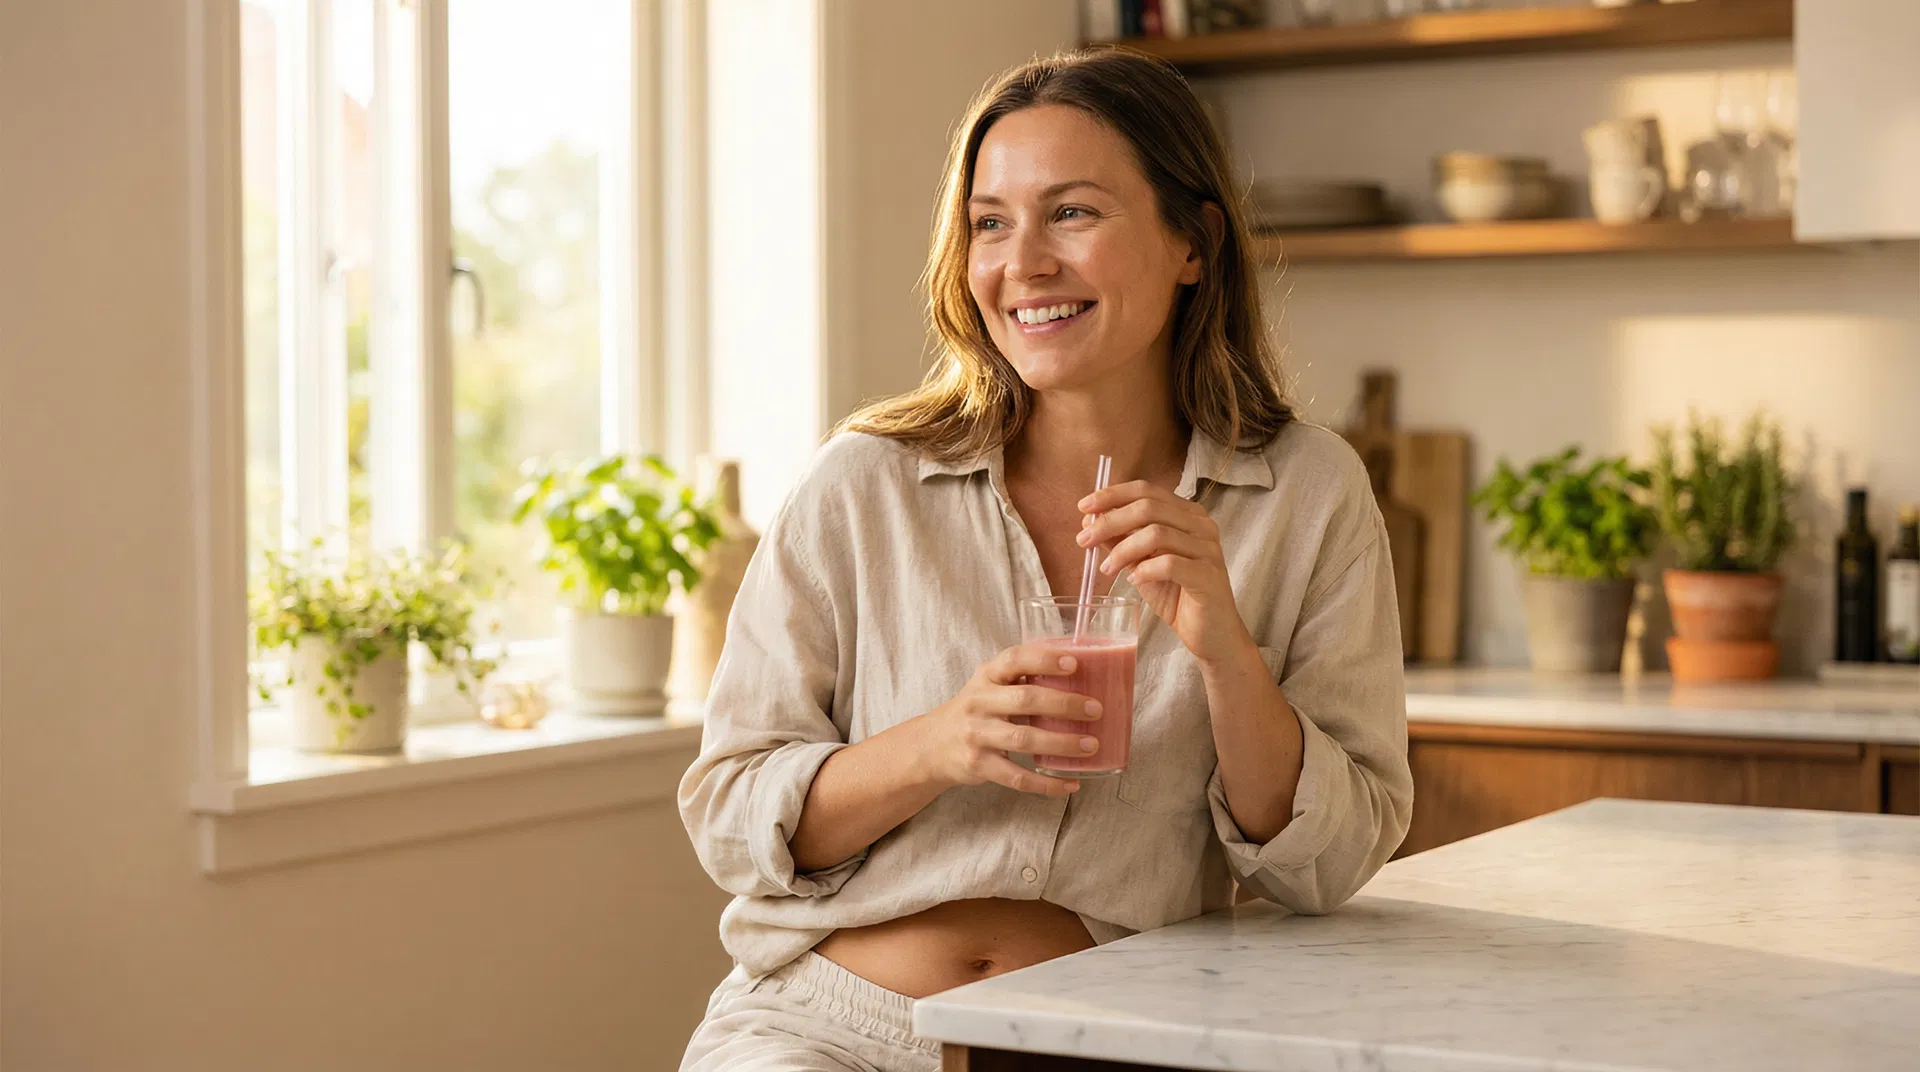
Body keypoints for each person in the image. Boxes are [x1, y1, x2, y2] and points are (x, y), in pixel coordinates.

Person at [678, 47, 1411, 1071]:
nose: (1022, 262)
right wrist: (939, 744)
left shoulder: (1306, 493)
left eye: (1072, 212)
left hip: (1105, 1039)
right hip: (822, 1025)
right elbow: (727, 814)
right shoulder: (863, 483)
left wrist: (1224, 651)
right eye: (990, 222)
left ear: (1193, 243)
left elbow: (1329, 864)